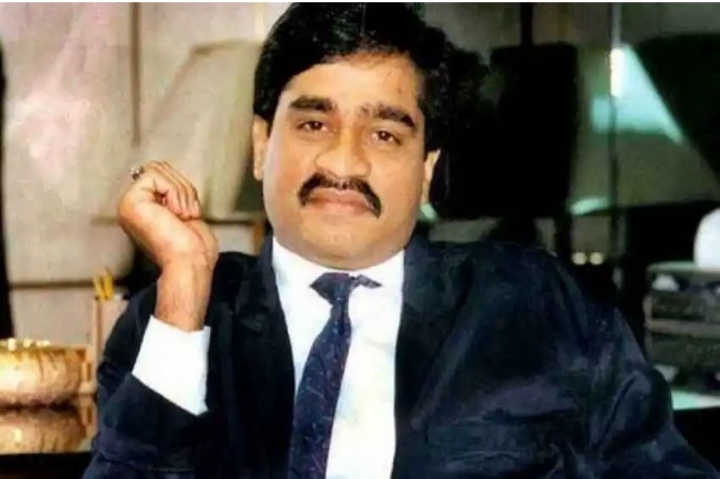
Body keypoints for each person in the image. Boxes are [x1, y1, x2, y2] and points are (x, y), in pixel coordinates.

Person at [82, 4, 718, 479]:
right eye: (314, 123)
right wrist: (184, 285)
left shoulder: (542, 311)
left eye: (385, 134)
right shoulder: (179, 323)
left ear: (426, 170)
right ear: (260, 145)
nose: (344, 161)